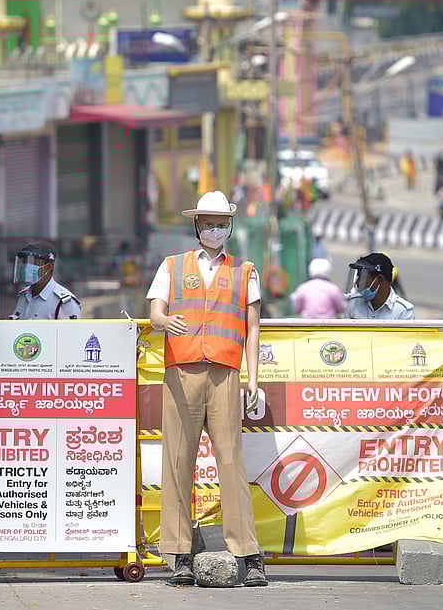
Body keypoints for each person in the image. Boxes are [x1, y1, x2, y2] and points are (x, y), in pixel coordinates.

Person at [145, 190, 268, 588]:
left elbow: (253, 329)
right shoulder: (172, 266)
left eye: (221, 223)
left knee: (231, 461)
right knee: (178, 459)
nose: (215, 229)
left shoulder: (245, 271)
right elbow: (154, 311)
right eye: (208, 222)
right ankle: (178, 554)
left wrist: (254, 379)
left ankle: (248, 554)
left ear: (229, 226)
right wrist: (165, 322)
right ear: (196, 225)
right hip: (182, 372)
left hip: (225, 373)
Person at [7, 241, 81, 320]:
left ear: (49, 267)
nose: (26, 267)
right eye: (25, 262)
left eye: (33, 262)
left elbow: (70, 331)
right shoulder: (23, 296)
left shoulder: (64, 302)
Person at [345, 252, 415, 320]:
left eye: (363, 278)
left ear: (380, 279)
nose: (357, 283)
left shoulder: (403, 311)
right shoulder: (353, 304)